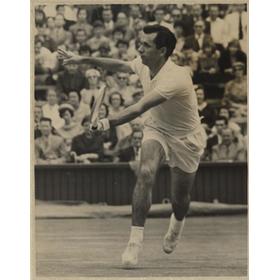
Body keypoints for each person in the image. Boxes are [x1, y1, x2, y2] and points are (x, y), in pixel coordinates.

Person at [58, 24, 206, 267]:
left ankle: (177, 224)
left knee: (180, 200)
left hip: (186, 138)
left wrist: (105, 123)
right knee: (145, 172)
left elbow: (138, 108)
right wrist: (81, 58)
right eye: (140, 42)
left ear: (162, 50)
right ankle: (134, 243)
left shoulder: (176, 78)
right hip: (156, 128)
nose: (139, 48)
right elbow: (119, 65)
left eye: (146, 45)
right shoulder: (144, 64)